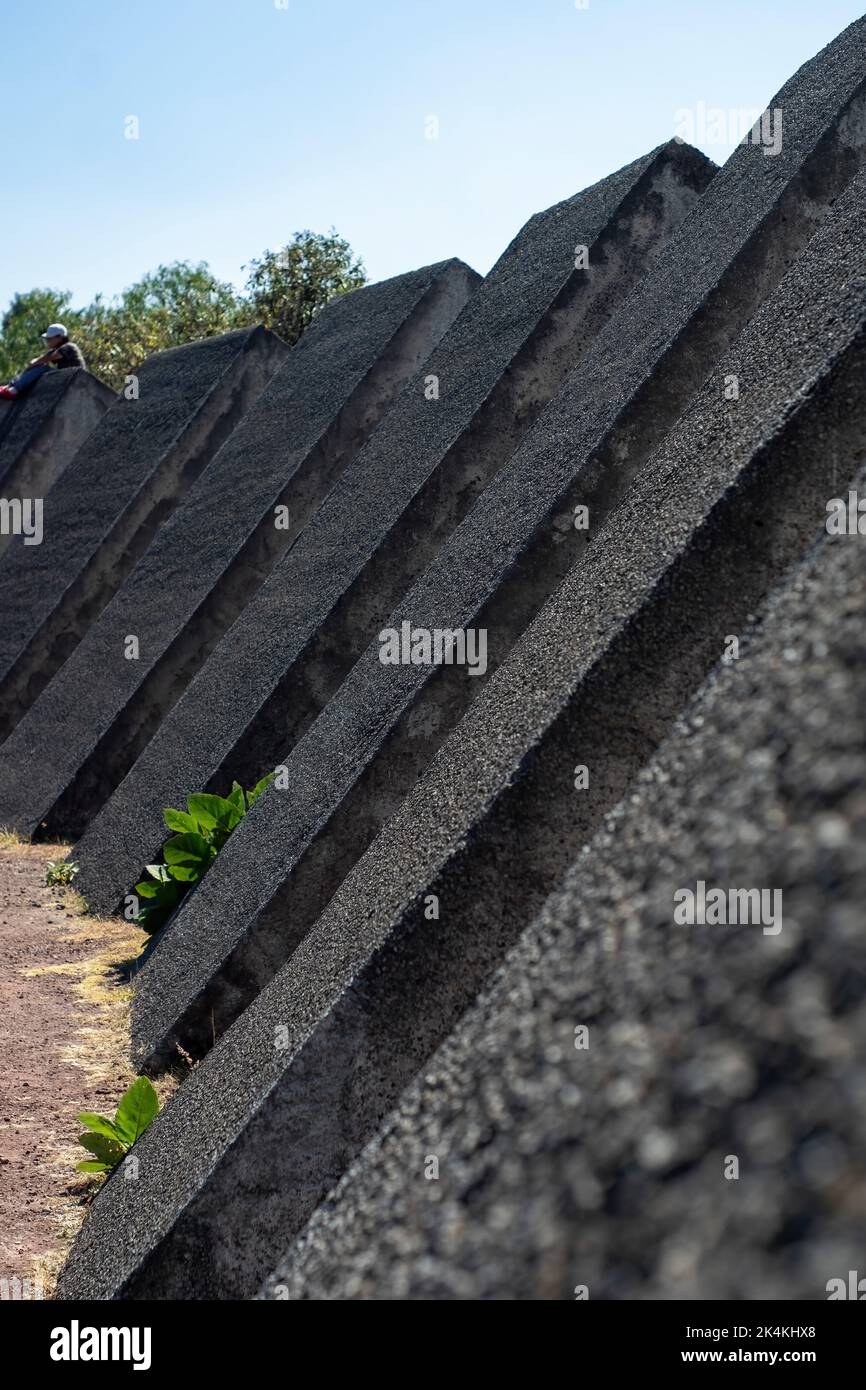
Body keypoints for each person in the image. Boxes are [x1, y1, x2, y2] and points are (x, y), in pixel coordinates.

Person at [0, 324, 87, 399]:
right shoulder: (55, 349)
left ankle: (14, 390)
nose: (48, 342)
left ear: (59, 338)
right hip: (64, 375)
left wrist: (36, 362)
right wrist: (34, 363)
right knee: (38, 367)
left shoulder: (69, 346)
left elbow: (54, 356)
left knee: (42, 368)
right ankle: (10, 386)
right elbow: (37, 361)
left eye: (50, 339)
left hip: (74, 376)